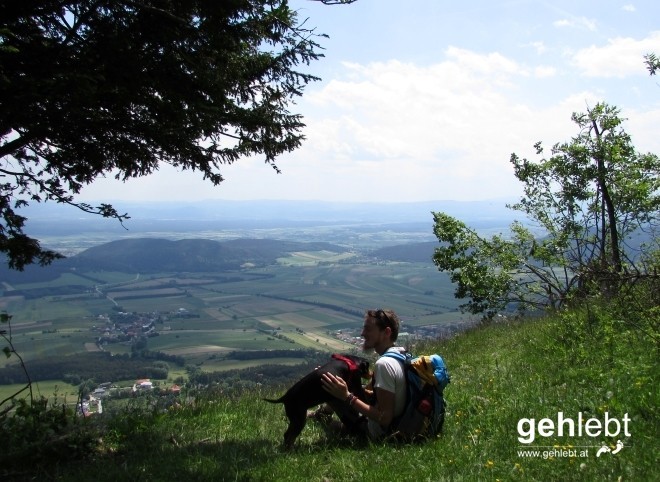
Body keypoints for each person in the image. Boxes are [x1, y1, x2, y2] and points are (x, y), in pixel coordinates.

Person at [319, 308, 407, 440]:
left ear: (386, 332)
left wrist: (347, 396)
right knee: (341, 384)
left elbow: (384, 418)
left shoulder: (384, 365)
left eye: (368, 329)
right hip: (400, 422)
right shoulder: (401, 354)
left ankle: (322, 417)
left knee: (331, 386)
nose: (362, 333)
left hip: (378, 433)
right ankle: (319, 414)